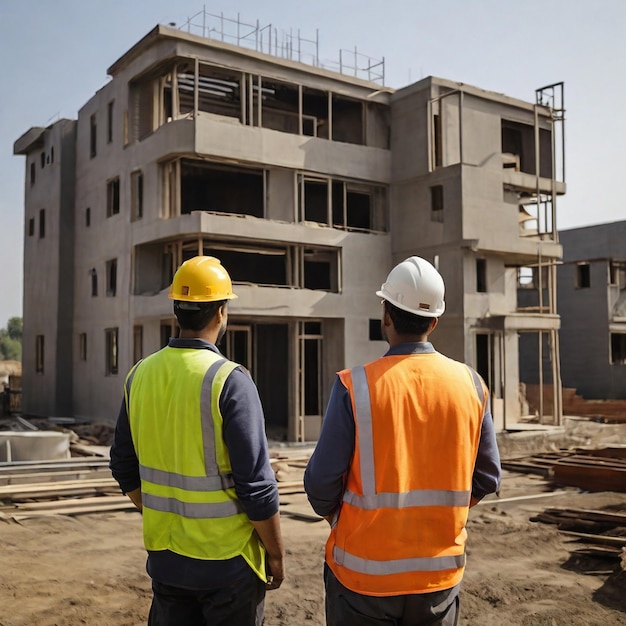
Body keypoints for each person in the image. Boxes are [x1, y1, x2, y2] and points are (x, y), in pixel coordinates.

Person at [304, 256, 501, 626]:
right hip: (437, 582)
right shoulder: (471, 385)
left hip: (362, 582)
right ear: (434, 321)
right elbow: (488, 477)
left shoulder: (355, 386)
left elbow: (319, 485)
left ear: (387, 316)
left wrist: (336, 517)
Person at [110, 255, 284, 626]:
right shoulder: (229, 380)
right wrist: (276, 554)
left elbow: (123, 465)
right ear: (221, 312)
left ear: (177, 310)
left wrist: (159, 511)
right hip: (228, 568)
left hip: (167, 561)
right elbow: (256, 487)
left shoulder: (140, 374)